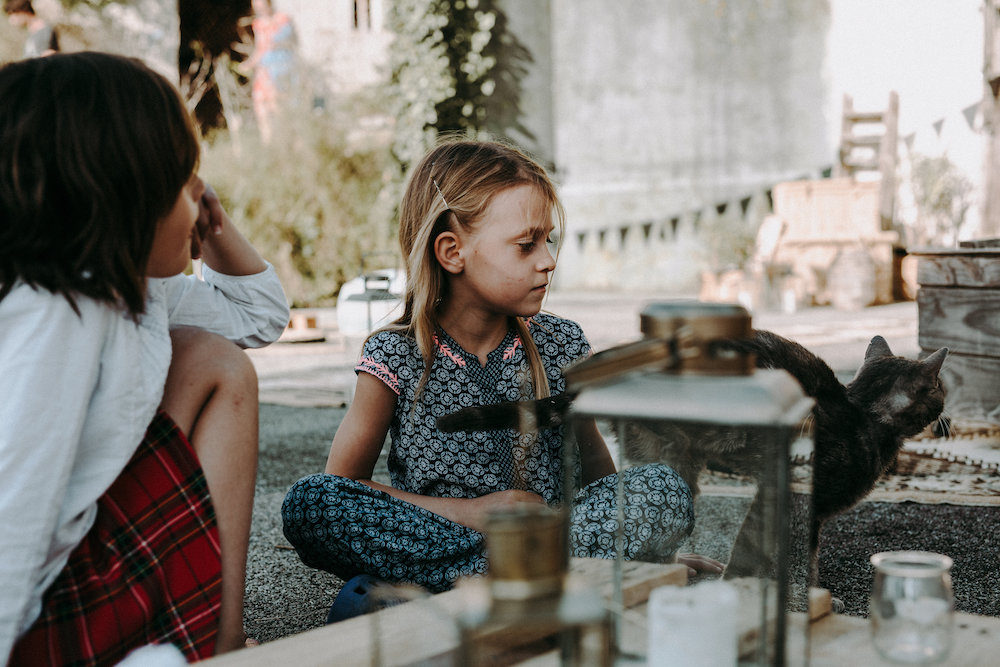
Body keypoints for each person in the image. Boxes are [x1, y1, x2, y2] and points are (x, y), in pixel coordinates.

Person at [282, 139, 722, 617]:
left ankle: (456, 594)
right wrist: (470, 513)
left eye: (549, 241)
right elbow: (344, 484)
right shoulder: (394, 353)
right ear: (452, 252)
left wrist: (651, 546)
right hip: (444, 538)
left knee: (662, 490)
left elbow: (597, 469)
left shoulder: (563, 344)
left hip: (546, 535)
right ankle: (532, 585)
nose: (547, 260)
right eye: (526, 244)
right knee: (310, 502)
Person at [0, 52, 290, 663]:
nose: (202, 198)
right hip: (34, 612)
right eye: (185, 183)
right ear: (125, 200)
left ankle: (223, 642)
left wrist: (206, 223)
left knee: (217, 361)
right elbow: (12, 506)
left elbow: (258, 315)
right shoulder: (59, 315)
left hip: (74, 562)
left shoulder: (139, 288)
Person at [245, 0, 298, 142]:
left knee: (279, 109)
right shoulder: (258, 24)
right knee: (261, 108)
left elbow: (290, 44)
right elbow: (259, 49)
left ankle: (284, 144)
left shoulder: (283, 20)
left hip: (280, 70)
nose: (259, 9)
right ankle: (267, 145)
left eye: (261, 5)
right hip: (264, 71)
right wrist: (248, 64)